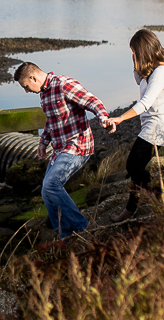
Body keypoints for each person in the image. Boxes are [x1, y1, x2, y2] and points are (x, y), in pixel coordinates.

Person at [14, 62, 110, 239]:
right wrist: (43, 142)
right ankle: (65, 236)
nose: (26, 91)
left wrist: (104, 118)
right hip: (60, 149)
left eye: (26, 86)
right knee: (46, 191)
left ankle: (83, 228)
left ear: (33, 78)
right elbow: (52, 121)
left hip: (77, 145)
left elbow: (92, 101)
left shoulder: (64, 84)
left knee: (51, 184)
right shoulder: (43, 94)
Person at [102, 29, 164, 221]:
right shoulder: (151, 71)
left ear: (143, 50)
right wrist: (137, 62)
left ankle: (153, 200)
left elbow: (145, 103)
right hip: (150, 124)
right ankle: (137, 207)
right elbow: (138, 79)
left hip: (158, 125)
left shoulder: (162, 71)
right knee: (136, 166)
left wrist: (119, 118)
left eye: (134, 51)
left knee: (134, 165)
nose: (133, 55)